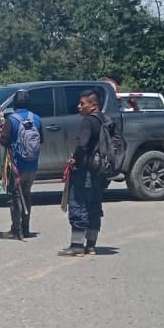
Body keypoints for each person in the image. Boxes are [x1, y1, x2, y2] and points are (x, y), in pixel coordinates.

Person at [59, 89, 107, 257]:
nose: (79, 106)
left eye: (83, 103)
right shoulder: (105, 119)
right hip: (99, 172)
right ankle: (91, 246)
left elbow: (83, 145)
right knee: (94, 206)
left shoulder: (88, 121)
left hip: (85, 171)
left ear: (93, 105)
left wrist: (74, 160)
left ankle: (77, 246)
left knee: (78, 205)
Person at [0, 89, 43, 240]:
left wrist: (1, 131)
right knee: (27, 193)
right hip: (32, 165)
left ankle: (16, 230)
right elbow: (41, 139)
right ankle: (26, 228)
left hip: (17, 165)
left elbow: (4, 141)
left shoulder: (12, 120)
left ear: (15, 103)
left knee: (15, 195)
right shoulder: (36, 118)